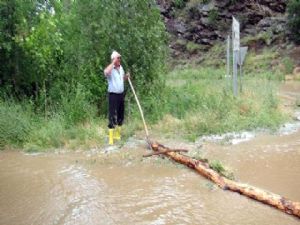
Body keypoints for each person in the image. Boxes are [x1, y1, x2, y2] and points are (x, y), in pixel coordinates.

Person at [104, 51, 129, 145]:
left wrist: (126, 77)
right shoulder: (111, 69)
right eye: (117, 58)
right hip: (113, 95)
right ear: (113, 59)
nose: (119, 60)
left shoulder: (121, 68)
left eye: (119, 58)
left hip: (121, 94)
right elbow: (106, 72)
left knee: (120, 114)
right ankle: (111, 138)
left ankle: (117, 135)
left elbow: (121, 79)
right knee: (112, 115)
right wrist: (113, 63)